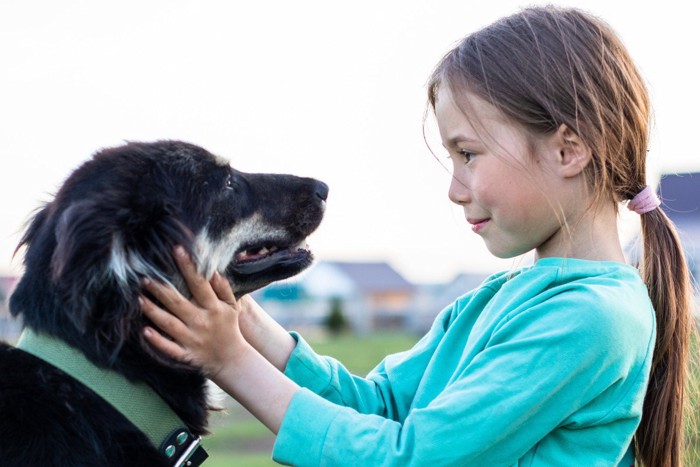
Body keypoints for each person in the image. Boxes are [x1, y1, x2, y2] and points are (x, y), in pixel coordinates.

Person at [140, 6, 695, 466]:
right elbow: (379, 407)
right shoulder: (494, 302)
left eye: (468, 154)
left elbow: (415, 458)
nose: (455, 189)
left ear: (568, 149)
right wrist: (246, 322)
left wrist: (230, 361)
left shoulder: (593, 317)